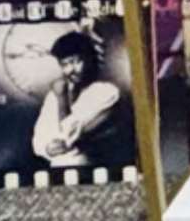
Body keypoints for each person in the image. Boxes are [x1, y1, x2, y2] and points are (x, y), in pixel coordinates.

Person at [29, 22, 134, 170]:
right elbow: (38, 139)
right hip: (55, 173)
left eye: (75, 61)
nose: (70, 70)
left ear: (89, 58)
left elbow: (70, 134)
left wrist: (62, 97)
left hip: (88, 172)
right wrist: (47, 148)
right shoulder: (53, 97)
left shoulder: (106, 92)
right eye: (64, 64)